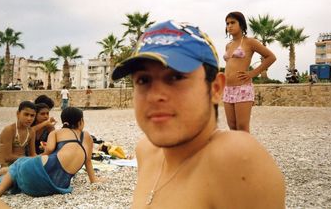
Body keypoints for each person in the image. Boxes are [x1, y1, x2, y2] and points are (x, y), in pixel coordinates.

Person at [111, 20, 285, 208]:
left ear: (216, 88)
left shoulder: (235, 159)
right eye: (143, 80)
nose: (154, 96)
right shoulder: (146, 151)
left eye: (176, 77)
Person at [0, 107, 102, 197]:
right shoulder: (87, 137)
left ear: (64, 121)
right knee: (21, 170)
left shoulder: (56, 132)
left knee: (21, 163)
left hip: (34, 183)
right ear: (81, 121)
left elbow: (48, 150)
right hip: (56, 186)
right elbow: (88, 161)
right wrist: (94, 180)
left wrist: (36, 158)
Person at [223, 11, 276, 132]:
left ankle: (247, 151)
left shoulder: (250, 42)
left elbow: (271, 57)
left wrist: (253, 73)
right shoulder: (228, 45)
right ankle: (237, 151)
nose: (229, 26)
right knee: (232, 127)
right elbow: (230, 65)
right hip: (227, 89)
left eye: (233, 22)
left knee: (242, 127)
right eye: (227, 23)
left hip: (242, 88)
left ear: (241, 24)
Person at [0, 101, 37, 168]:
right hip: (8, 166)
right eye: (26, 114)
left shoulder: (31, 131)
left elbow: (33, 154)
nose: (29, 118)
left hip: (23, 164)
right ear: (18, 114)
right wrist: (28, 159)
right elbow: (7, 157)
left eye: (32, 116)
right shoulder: (10, 130)